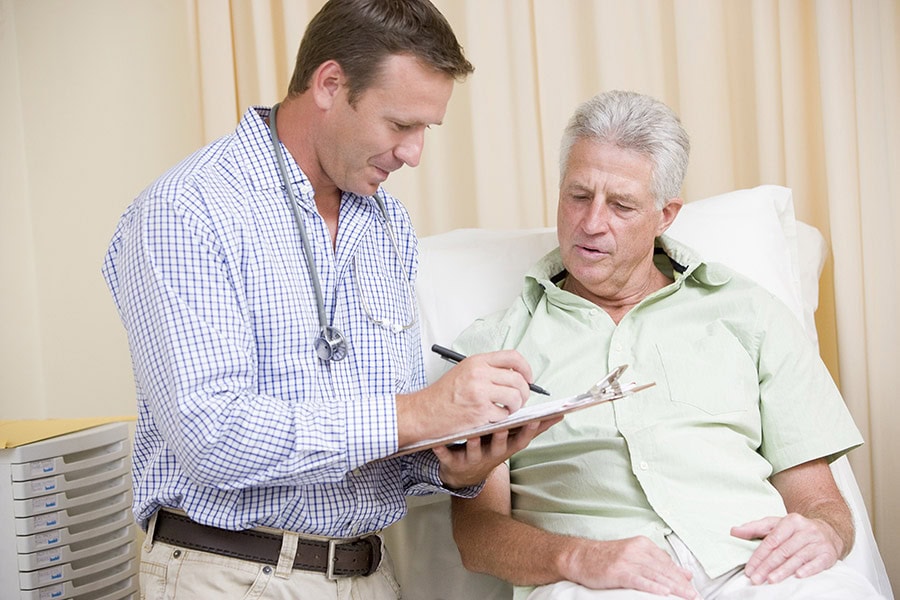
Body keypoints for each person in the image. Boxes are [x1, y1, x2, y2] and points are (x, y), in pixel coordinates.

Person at [102, 1, 554, 597]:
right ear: (330, 83)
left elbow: (371, 441)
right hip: (233, 575)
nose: (415, 153)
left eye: (426, 130)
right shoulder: (186, 211)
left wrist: (455, 463)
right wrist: (418, 412)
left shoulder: (386, 222)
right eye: (400, 125)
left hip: (368, 575)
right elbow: (209, 437)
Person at [449, 90, 885, 599]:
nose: (592, 223)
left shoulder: (750, 314)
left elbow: (820, 501)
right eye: (578, 195)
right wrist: (578, 557)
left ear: (666, 215)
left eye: (622, 205)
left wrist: (824, 532)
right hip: (597, 581)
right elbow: (478, 536)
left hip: (755, 569)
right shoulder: (494, 347)